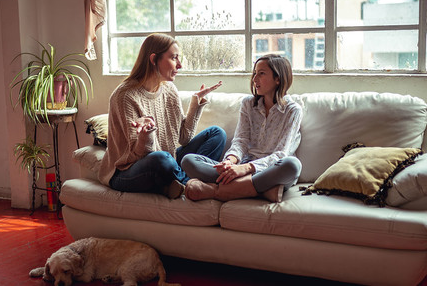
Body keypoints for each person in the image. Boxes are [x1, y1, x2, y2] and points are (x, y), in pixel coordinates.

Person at [97, 33, 226, 199]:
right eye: (174, 58)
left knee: (216, 134)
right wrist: (145, 135)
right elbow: (137, 156)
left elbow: (184, 138)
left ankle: (176, 184)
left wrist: (196, 103)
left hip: (167, 163)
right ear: (153, 59)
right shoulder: (125, 96)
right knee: (161, 158)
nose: (179, 65)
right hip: (127, 171)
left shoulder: (169, 90)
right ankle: (194, 185)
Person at [181, 54, 303, 203]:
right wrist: (230, 162)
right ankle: (261, 191)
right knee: (189, 160)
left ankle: (216, 191)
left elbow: (281, 154)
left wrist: (246, 169)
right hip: (243, 169)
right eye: (254, 74)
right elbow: (241, 140)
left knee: (292, 165)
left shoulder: (293, 110)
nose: (254, 79)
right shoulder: (248, 104)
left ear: (278, 78)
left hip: (270, 170)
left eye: (261, 74)